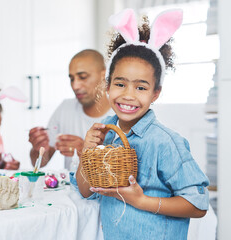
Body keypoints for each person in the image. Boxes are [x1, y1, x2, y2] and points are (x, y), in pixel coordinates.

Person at [75, 9, 209, 239]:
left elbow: (198, 205)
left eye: (141, 87)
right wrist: (86, 152)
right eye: (120, 84)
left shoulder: (165, 142)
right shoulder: (105, 132)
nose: (128, 95)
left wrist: (141, 200)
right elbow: (87, 191)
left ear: (155, 93)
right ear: (107, 86)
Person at [28, 49, 112, 170]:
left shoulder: (121, 114)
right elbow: (40, 162)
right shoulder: (65, 109)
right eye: (72, 79)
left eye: (82, 77)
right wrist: (39, 149)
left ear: (103, 76)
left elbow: (125, 172)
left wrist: (86, 152)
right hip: (70, 188)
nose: (75, 86)